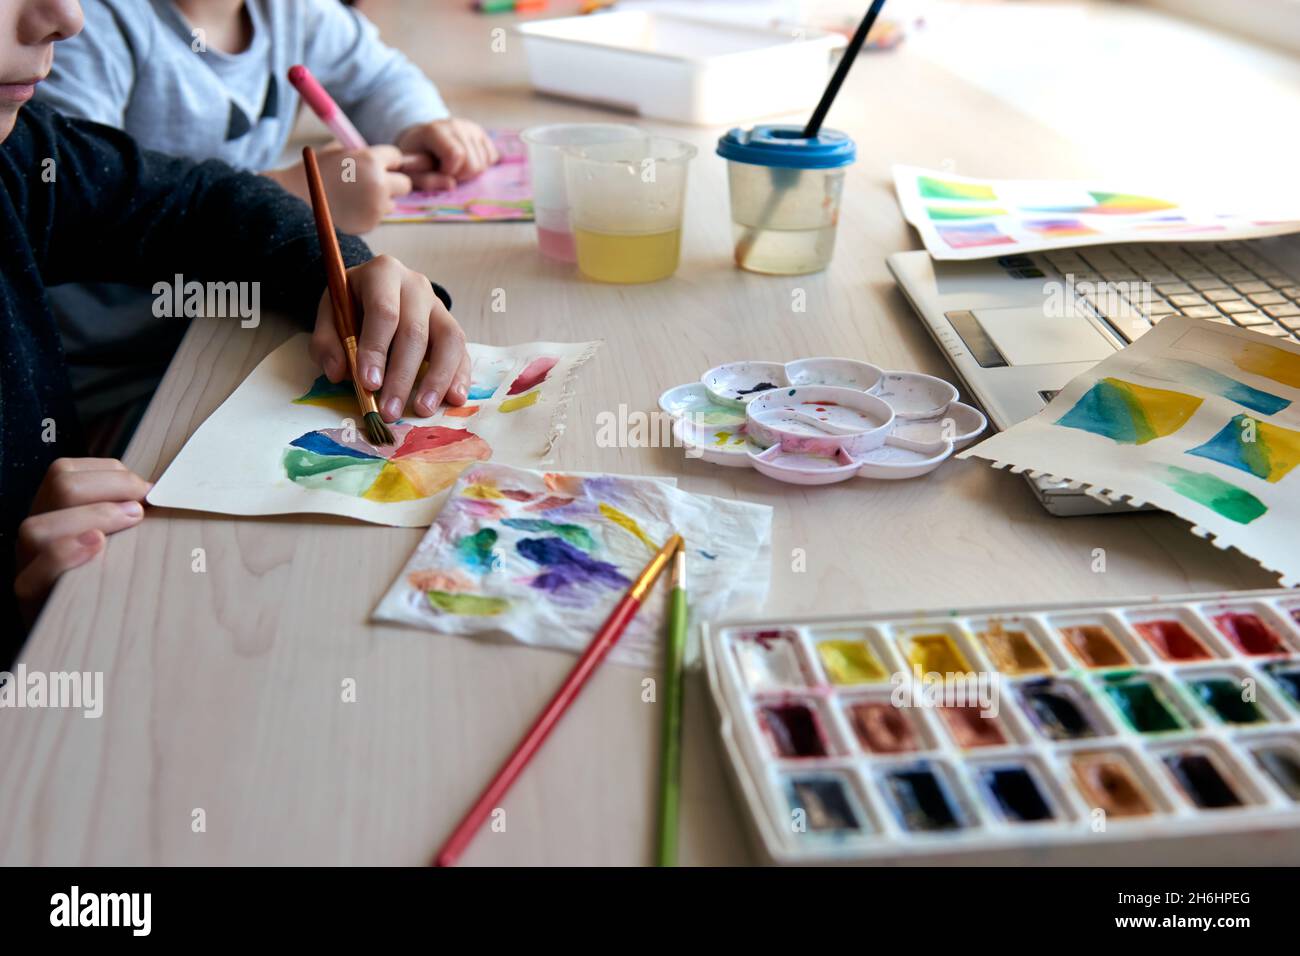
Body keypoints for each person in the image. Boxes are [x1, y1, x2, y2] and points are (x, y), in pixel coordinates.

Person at [1, 0, 470, 655]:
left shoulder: (21, 153)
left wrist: (341, 271)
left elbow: (192, 204)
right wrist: (19, 621)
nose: (65, 17)